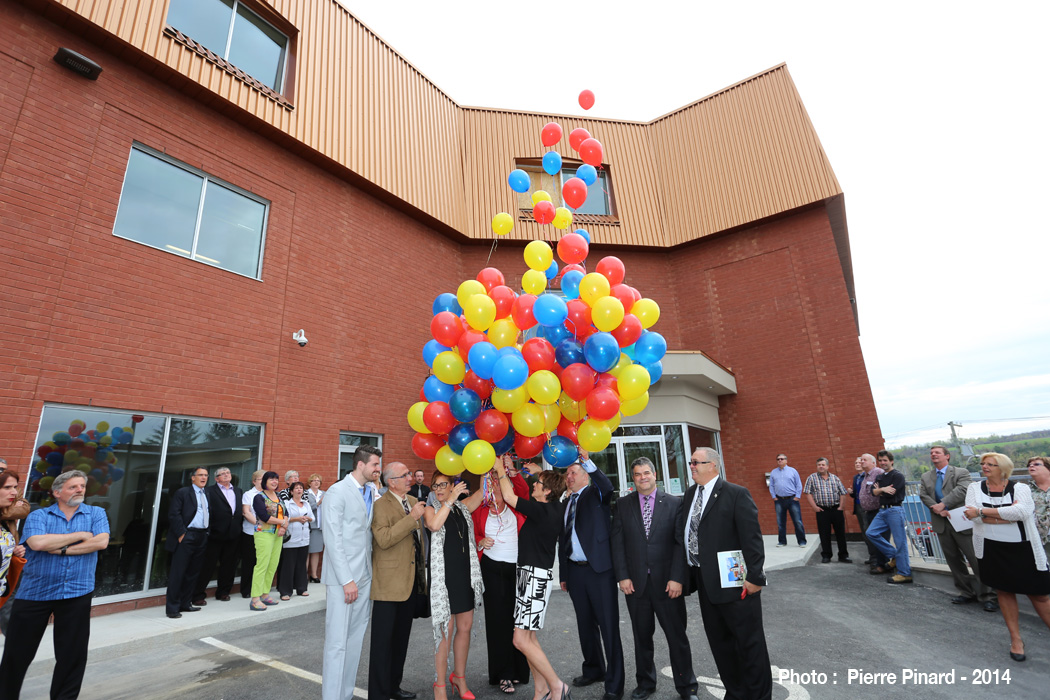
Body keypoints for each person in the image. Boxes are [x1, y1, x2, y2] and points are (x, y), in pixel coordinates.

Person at [0, 470, 110, 699]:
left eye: (82, 486)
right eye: (73, 487)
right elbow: (38, 543)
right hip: (35, 593)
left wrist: (61, 549)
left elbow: (101, 541)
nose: (80, 490)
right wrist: (80, 534)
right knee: (16, 654)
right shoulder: (39, 516)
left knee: (72, 655)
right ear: (57, 493)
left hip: (77, 592)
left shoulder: (96, 513)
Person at [676, 448, 771, 700]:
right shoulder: (690, 494)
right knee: (721, 645)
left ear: (714, 466)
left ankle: (759, 696)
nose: (692, 466)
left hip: (737, 584)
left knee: (749, 645)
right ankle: (736, 693)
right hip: (706, 585)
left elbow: (752, 539)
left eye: (697, 462)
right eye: (691, 462)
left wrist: (755, 578)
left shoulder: (736, 494)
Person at [611, 457, 697, 700]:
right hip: (636, 585)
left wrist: (678, 578)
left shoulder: (673, 503)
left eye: (646, 473)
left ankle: (687, 687)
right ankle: (646, 684)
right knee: (641, 638)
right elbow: (617, 544)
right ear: (633, 478)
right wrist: (623, 577)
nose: (642, 477)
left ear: (655, 474)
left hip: (668, 585)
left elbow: (681, 544)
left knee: (677, 638)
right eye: (637, 474)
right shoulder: (622, 504)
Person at [492, 455, 571, 700]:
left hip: (533, 578)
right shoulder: (554, 506)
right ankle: (541, 690)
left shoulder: (541, 510)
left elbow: (509, 497)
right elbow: (553, 485)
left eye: (538, 484)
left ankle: (557, 685)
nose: (533, 486)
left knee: (520, 640)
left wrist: (500, 471)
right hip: (533, 576)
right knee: (530, 638)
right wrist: (539, 472)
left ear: (546, 492)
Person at [964, 452, 1050, 662]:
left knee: (1040, 594)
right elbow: (971, 515)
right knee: (1004, 591)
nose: (985, 467)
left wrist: (983, 513)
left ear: (1002, 468)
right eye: (983, 464)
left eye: (991, 464)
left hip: (1024, 549)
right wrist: (1004, 514)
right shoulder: (974, 488)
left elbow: (1022, 512)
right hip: (992, 549)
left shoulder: (1019, 487)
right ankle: (1016, 640)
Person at [560, 452, 625, 700]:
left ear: (586, 475)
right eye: (567, 474)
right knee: (585, 625)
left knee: (608, 627)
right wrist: (564, 574)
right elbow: (562, 538)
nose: (569, 477)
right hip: (575, 572)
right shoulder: (566, 502)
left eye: (573, 472)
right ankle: (594, 669)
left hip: (599, 571)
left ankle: (614, 684)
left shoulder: (596, 494)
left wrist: (587, 461)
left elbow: (607, 486)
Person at [322, 444, 382, 700]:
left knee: (355, 641)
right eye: (375, 465)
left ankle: (345, 694)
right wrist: (347, 580)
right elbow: (332, 538)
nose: (378, 470)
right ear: (361, 464)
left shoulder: (371, 490)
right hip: (342, 579)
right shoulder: (337, 492)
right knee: (337, 643)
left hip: (365, 575)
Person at [425, 471, 485, 700]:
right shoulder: (431, 509)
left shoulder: (462, 508)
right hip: (444, 579)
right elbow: (434, 526)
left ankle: (459, 678)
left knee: (465, 627)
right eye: (435, 486)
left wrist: (490, 469)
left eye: (443, 485)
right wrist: (450, 500)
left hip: (465, 575)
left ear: (453, 486)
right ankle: (439, 685)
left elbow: (483, 493)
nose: (438, 489)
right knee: (445, 632)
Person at [472, 456, 530, 694]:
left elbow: (524, 489)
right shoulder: (480, 511)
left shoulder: (517, 506)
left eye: (497, 481)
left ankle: (519, 670)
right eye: (490, 481)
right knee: (498, 623)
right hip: (492, 568)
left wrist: (507, 470)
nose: (494, 485)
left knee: (519, 622)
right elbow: (470, 534)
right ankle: (503, 674)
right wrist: (480, 541)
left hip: (517, 569)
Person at [369, 461, 426, 700]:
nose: (410, 478)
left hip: (411, 582)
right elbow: (383, 539)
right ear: (391, 481)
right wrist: (411, 518)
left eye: (410, 474)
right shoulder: (381, 505)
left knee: (401, 641)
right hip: (388, 584)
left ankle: (394, 686)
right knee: (382, 644)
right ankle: (379, 693)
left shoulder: (413, 502)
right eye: (405, 475)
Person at [919, 446, 996, 610]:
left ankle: (989, 596)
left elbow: (962, 490)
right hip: (941, 521)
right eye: (931, 453)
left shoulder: (961, 472)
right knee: (953, 560)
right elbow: (923, 494)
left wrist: (943, 504)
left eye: (937, 452)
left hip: (961, 521)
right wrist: (937, 508)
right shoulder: (926, 476)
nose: (933, 455)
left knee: (975, 559)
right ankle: (966, 593)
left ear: (947, 456)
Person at [193, 466, 243, 604]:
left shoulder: (238, 491)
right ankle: (197, 595)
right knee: (207, 566)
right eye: (223, 473)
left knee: (229, 566)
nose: (226, 475)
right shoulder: (209, 491)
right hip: (215, 535)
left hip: (233, 535)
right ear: (216, 479)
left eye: (228, 472)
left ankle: (223, 592)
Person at [165, 466, 210, 618]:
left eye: (206, 475)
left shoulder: (206, 494)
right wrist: (181, 534)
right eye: (200, 475)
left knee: (193, 573)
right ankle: (172, 608)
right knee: (178, 573)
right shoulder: (183, 492)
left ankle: (186, 603)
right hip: (186, 536)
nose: (203, 478)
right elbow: (174, 514)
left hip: (201, 536)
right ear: (193, 477)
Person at [866, 450, 911, 584]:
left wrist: (881, 490)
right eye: (880, 460)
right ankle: (894, 555)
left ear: (891, 461)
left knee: (900, 541)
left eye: (885, 460)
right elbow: (872, 492)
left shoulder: (897, 476)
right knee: (871, 533)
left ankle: (905, 573)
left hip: (895, 510)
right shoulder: (880, 476)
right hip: (883, 511)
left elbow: (892, 493)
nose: (882, 463)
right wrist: (882, 490)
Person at [250, 471, 289, 611]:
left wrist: (284, 527)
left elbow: (286, 513)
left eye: (276, 479)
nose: (275, 482)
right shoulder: (259, 498)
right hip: (264, 534)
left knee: (273, 565)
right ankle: (255, 598)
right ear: (264, 481)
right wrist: (282, 523)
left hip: (277, 535)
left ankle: (265, 594)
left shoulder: (279, 496)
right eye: (271, 479)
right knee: (262, 565)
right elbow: (264, 516)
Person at [802, 457, 851, 563]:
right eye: (819, 464)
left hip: (836, 509)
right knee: (824, 534)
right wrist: (814, 507)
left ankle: (843, 555)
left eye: (823, 464)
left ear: (827, 466)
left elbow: (843, 492)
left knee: (840, 533)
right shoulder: (812, 478)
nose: (821, 466)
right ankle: (826, 555)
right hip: (822, 510)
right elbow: (807, 492)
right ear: (817, 466)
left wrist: (841, 507)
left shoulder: (835, 478)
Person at [278, 481, 314, 600]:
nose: (299, 490)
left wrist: (306, 518)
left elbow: (312, 518)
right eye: (296, 488)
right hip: (291, 539)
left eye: (301, 488)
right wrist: (297, 519)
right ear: (291, 491)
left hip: (304, 538)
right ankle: (285, 591)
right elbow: (285, 518)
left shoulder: (306, 504)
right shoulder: (287, 504)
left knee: (301, 565)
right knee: (288, 565)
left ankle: (301, 588)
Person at [854, 453, 889, 572]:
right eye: (861, 459)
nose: (862, 461)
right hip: (868, 512)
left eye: (865, 460)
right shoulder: (865, 475)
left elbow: (885, 489)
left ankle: (883, 563)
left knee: (878, 536)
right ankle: (876, 561)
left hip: (878, 511)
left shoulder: (878, 472)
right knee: (871, 536)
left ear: (873, 463)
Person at [1, 471, 29, 610]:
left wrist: (13, 552)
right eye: (7, 488)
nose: (14, 492)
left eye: (15, 487)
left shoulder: (4, 525)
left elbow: (24, 508)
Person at [768, 453, 806, 547]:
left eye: (782, 459)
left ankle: (801, 541)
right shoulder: (773, 472)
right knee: (780, 522)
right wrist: (774, 497)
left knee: (797, 521)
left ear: (786, 460)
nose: (780, 460)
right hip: (779, 500)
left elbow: (799, 484)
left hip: (792, 499)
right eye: (778, 459)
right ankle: (782, 541)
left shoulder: (793, 471)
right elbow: (771, 485)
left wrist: (797, 496)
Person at [239, 469, 264, 598]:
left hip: (266, 534)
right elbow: (246, 512)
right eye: (261, 479)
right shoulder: (249, 494)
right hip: (251, 533)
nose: (264, 481)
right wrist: (259, 524)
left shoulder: (270, 494)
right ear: (254, 481)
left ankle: (259, 589)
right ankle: (246, 590)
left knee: (262, 562)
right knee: (249, 562)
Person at [1028, 456, 1050, 562]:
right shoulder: (1025, 491)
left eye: (1036, 464)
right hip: (1040, 539)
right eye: (1029, 465)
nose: (1031, 466)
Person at [306, 473, 325, 583]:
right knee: (306, 552)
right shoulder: (306, 494)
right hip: (309, 526)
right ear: (310, 483)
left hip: (319, 526)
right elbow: (308, 508)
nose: (317, 482)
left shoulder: (324, 493)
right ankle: (303, 575)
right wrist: (318, 503)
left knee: (316, 551)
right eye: (314, 480)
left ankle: (314, 574)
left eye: (318, 481)